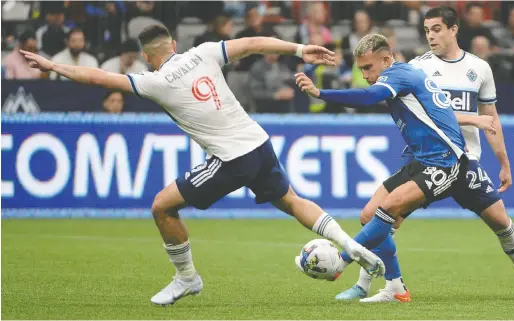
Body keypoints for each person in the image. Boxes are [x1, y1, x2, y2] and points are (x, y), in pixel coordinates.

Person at [20, 24, 384, 306]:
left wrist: (52, 66)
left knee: (162, 207)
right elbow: (253, 42)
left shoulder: (155, 81)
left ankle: (187, 278)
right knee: (290, 199)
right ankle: (349, 245)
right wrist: (300, 48)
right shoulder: (206, 52)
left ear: (148, 57)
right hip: (259, 143)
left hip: (231, 158)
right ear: (174, 45)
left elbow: (98, 77)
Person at [296, 21, 514, 303]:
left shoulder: (401, 75)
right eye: (361, 69)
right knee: (371, 213)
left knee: (499, 221)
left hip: (447, 161)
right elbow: (439, 109)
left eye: (368, 68)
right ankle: (394, 287)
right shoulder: (417, 68)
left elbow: (370, 97)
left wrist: (320, 93)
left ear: (386, 60)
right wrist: (471, 119)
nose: (364, 75)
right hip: (424, 159)